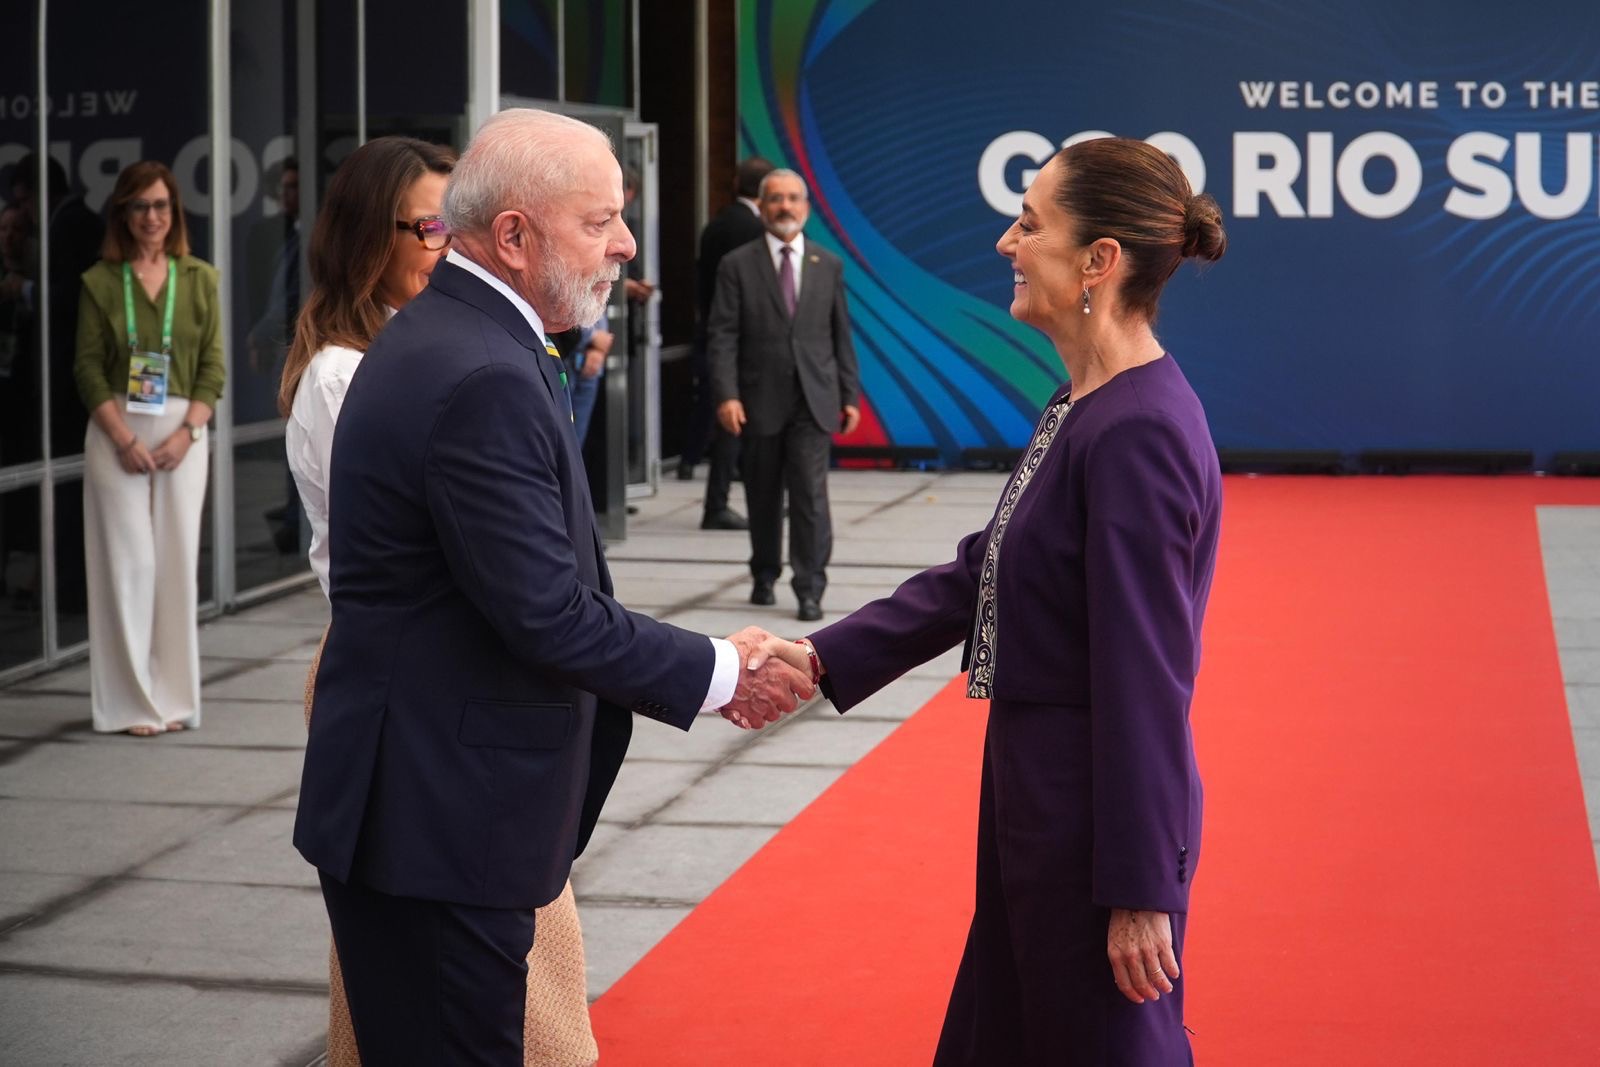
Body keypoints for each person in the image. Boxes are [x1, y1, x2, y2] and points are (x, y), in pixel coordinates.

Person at [292, 108, 812, 1066]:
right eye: (600, 220)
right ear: (515, 236)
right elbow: (546, 611)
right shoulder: (477, 368)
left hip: (428, 814)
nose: (623, 244)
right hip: (439, 825)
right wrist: (721, 669)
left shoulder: (462, 337)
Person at [776, 137, 1227, 1063]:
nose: (1005, 243)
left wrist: (1140, 886)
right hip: (1038, 796)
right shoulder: (1087, 400)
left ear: (1099, 259)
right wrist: (825, 655)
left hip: (1086, 822)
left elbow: (1148, 681)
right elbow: (989, 565)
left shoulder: (1137, 428)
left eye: (1030, 223)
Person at [74, 161, 224, 736]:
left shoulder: (201, 278)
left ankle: (174, 699)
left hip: (184, 429)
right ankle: (132, 702)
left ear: (175, 212)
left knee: (177, 567)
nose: (152, 218)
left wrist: (188, 432)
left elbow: (214, 366)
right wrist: (123, 437)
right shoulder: (100, 282)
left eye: (161, 206)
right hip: (118, 430)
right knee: (128, 566)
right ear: (123, 214)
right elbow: (86, 369)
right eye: (140, 207)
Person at [708, 168, 860, 622]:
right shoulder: (737, 264)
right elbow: (722, 335)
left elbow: (840, 336)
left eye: (794, 199)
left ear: (806, 208)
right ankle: (764, 572)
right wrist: (727, 394)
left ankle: (810, 587)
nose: (785, 207)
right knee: (762, 492)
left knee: (810, 497)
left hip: (813, 401)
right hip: (758, 400)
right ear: (762, 205)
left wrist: (849, 394)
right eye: (776, 199)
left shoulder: (826, 264)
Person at [683, 156, 772, 530]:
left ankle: (696, 469)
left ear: (736, 183)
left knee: (718, 414)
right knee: (737, 426)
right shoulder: (753, 232)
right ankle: (719, 503)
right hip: (744, 343)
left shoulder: (716, 223)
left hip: (714, 332)